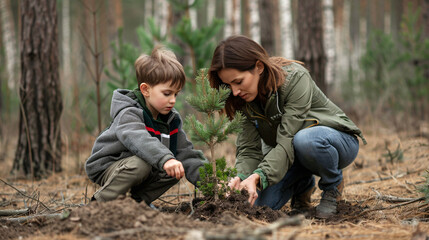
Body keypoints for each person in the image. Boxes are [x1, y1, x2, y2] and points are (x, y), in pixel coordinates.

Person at [208, 35, 366, 218]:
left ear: (258, 67)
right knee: (254, 204)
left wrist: (259, 176)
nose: (234, 91)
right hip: (292, 155)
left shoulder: (294, 79)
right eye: (228, 85)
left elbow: (287, 139)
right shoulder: (242, 99)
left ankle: (332, 186)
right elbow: (249, 149)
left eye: (238, 82)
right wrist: (242, 178)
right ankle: (302, 184)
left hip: (335, 143)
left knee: (305, 140)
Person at [85, 46, 206, 205]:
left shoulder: (171, 120)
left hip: (140, 164)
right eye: (167, 93)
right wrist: (165, 159)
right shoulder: (129, 112)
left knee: (175, 169)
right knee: (143, 164)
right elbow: (138, 138)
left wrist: (212, 184)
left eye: (176, 94)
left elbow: (186, 154)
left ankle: (137, 204)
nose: (173, 100)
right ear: (145, 89)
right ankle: (98, 204)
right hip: (109, 165)